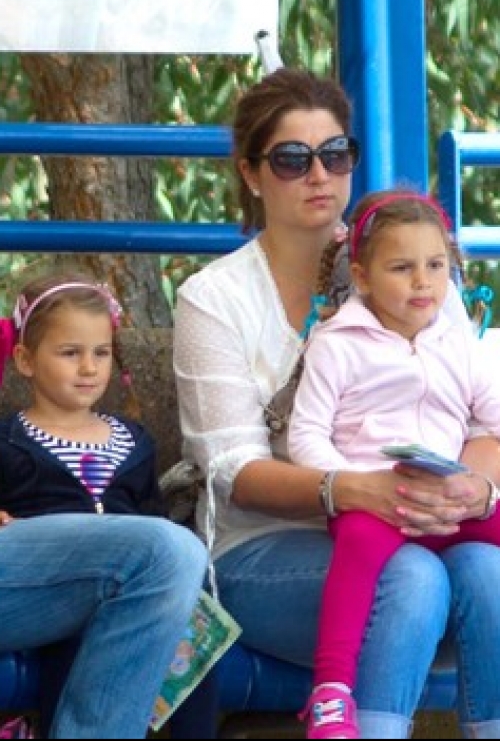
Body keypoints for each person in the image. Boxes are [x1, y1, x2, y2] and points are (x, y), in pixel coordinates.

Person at [173, 66, 500, 740]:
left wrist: (469, 489)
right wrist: (353, 490)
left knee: (486, 567)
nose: (319, 174)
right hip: (262, 548)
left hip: (421, 523)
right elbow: (234, 472)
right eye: (292, 159)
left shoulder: (408, 259)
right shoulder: (214, 299)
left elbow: (481, 418)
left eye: (335, 153)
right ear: (251, 172)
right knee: (411, 579)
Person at [288, 188, 500, 738]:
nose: (423, 282)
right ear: (362, 276)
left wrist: (478, 489)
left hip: (448, 501)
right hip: (375, 503)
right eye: (402, 268)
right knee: (357, 547)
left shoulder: (459, 342)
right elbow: (305, 434)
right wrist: (357, 485)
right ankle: (331, 691)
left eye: (436, 266)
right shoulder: (336, 344)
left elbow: (494, 417)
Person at [0, 272, 208, 739]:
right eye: (70, 353)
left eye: (101, 352)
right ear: (26, 360)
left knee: (193, 624)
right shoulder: (9, 441)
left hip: (126, 589)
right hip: (55, 582)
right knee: (73, 644)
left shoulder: (132, 440)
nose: (89, 368)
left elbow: (153, 519)